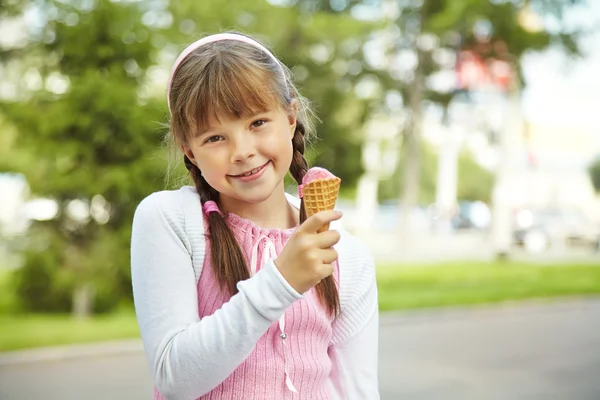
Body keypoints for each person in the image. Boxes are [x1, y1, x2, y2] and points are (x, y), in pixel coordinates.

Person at [131, 32, 379, 400]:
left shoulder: (344, 254)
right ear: (190, 151)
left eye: (258, 122)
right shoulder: (171, 220)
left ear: (291, 118)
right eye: (215, 138)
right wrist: (281, 281)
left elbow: (357, 389)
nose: (242, 151)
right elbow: (174, 377)